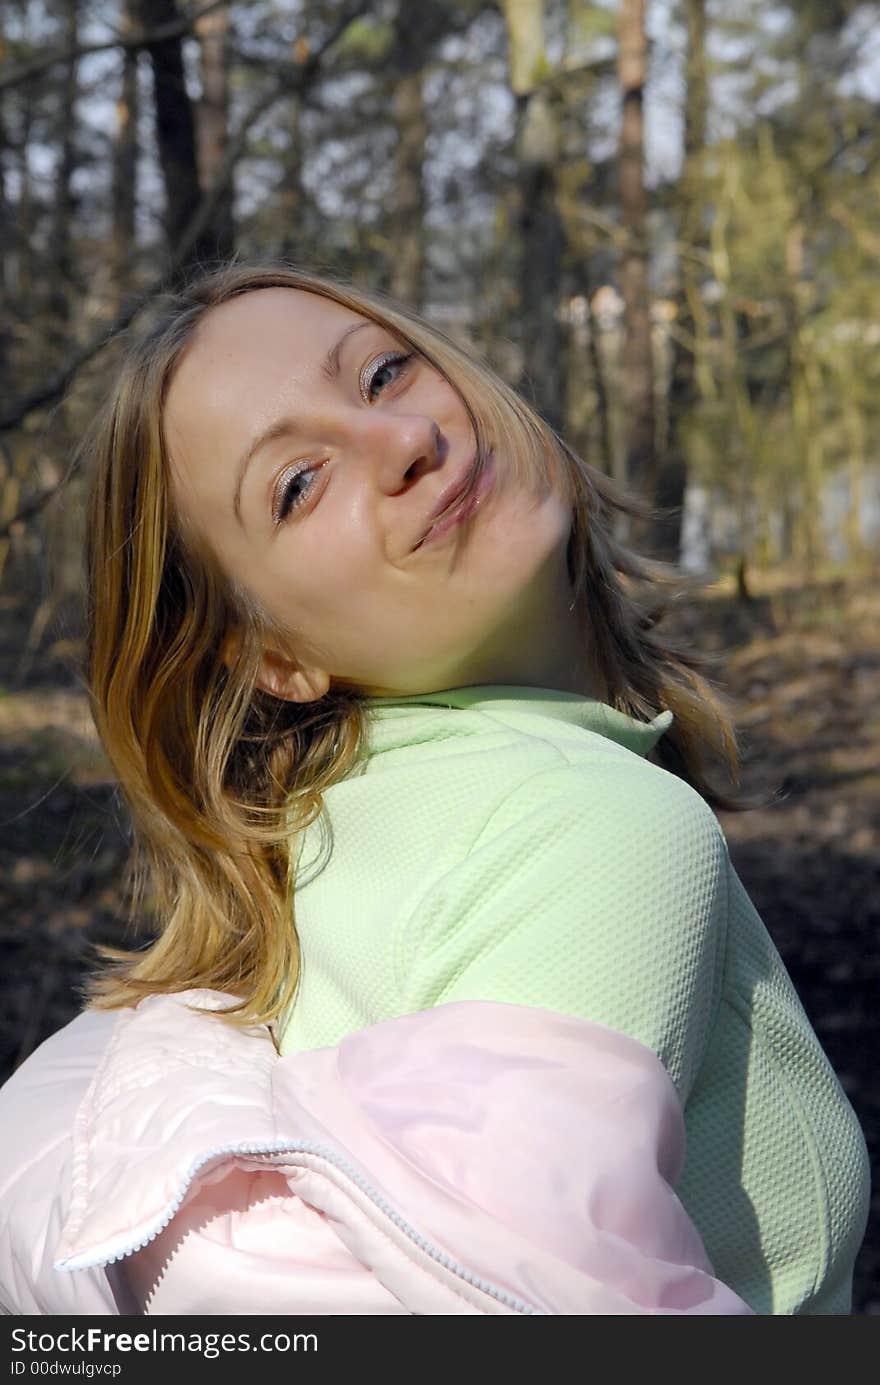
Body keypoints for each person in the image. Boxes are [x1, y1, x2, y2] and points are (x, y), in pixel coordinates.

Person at [0, 262, 869, 1317]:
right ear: (269, 654)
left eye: (380, 374)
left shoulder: (321, 828)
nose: (403, 442)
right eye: (296, 484)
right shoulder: (591, 827)